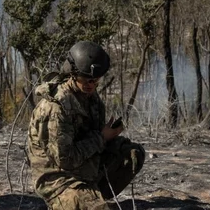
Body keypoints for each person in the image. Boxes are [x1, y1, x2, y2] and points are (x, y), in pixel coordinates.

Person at [27, 41, 146, 210]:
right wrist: (102, 137)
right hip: (59, 180)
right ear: (73, 74)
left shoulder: (90, 97)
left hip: (86, 167)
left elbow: (93, 136)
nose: (92, 84)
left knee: (133, 153)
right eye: (87, 79)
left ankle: (92, 195)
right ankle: (79, 200)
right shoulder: (56, 107)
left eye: (96, 80)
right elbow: (65, 159)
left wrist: (108, 136)